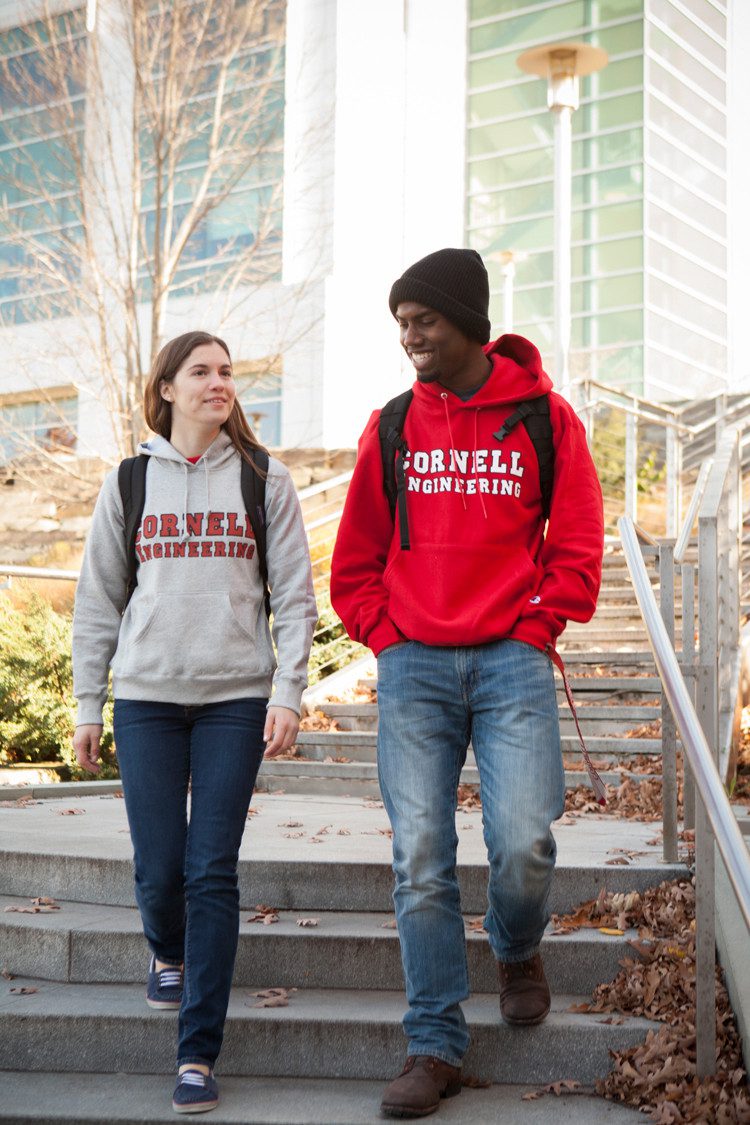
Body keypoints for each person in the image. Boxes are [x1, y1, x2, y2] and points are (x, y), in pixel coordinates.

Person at [331, 248, 603, 1119]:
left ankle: (516, 945)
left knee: (523, 840)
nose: (409, 336)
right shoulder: (393, 425)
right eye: (401, 323)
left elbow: (578, 538)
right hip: (414, 662)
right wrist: (384, 635)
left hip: (512, 657)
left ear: (469, 324)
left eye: (425, 320)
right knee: (420, 856)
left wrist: (538, 622)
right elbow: (355, 557)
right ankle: (434, 1042)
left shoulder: (543, 418)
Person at [72, 330, 317, 1115]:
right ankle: (166, 948)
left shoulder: (262, 478)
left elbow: (295, 595)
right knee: (158, 867)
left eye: (227, 372)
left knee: (210, 869)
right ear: (168, 388)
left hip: (234, 699)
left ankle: (197, 1053)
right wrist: (87, 703)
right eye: (202, 371)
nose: (220, 382)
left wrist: (287, 692)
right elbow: (97, 600)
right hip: (146, 698)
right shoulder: (130, 480)